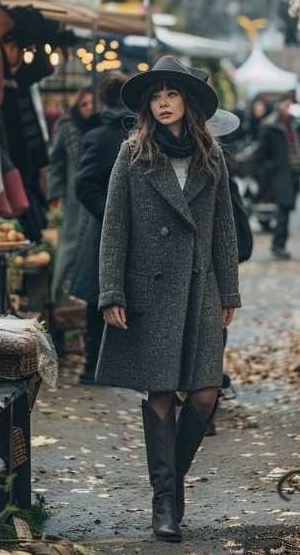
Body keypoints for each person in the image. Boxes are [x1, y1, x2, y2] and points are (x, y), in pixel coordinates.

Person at [95, 56, 241, 543]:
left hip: (201, 286)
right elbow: (114, 226)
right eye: (155, 96)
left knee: (203, 396)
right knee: (160, 391)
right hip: (151, 289)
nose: (162, 102)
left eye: (171, 94)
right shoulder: (132, 155)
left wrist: (230, 289)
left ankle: (171, 484)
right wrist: (111, 290)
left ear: (188, 102)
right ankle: (165, 502)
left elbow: (224, 227)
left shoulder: (211, 155)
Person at [71, 73, 131, 385]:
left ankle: (93, 366)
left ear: (104, 101)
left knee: (101, 296)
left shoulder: (98, 135)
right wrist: (114, 215)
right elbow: (85, 185)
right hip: (108, 228)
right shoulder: (111, 136)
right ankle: (102, 367)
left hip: (103, 227)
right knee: (110, 292)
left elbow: (83, 185)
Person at [47, 87, 99, 304]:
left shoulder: (99, 128)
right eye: (84, 104)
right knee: (69, 244)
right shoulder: (67, 127)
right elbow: (55, 160)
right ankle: (56, 294)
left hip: (96, 193)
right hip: (74, 194)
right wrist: (56, 192)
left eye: (91, 105)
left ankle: (85, 295)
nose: (88, 109)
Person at [256, 95, 300, 260]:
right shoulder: (270, 126)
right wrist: (270, 169)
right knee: (283, 208)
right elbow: (261, 154)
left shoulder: (295, 124)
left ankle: (279, 243)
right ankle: (278, 244)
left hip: (294, 171)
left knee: (286, 208)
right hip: (280, 172)